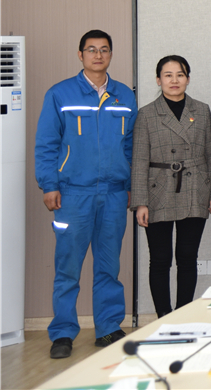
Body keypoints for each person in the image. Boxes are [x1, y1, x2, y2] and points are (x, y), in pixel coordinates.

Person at [35, 30, 137, 359]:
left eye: (104, 50)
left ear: (111, 55)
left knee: (108, 266)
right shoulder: (60, 94)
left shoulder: (124, 96)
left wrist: (131, 186)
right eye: (91, 50)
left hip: (114, 194)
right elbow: (46, 144)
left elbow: (131, 147)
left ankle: (108, 327)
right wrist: (49, 184)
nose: (98, 55)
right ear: (80, 55)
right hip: (72, 195)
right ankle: (63, 332)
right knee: (68, 268)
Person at [131, 56, 211, 317]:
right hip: (157, 191)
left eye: (180, 75)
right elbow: (139, 161)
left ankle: (183, 315)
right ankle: (163, 317)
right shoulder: (146, 114)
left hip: (195, 188)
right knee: (160, 260)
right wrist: (140, 203)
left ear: (188, 79)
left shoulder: (201, 110)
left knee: (187, 257)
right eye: (168, 75)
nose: (174, 80)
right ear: (158, 80)